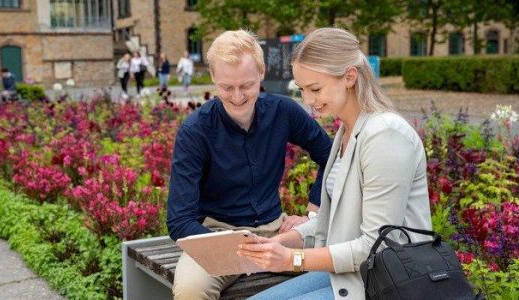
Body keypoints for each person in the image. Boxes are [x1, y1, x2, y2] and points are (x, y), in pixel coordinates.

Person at [237, 28, 432, 300]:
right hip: (353, 275)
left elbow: (374, 247)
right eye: (302, 89)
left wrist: (292, 259)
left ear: (350, 77)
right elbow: (334, 223)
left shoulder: (385, 135)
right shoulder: (347, 132)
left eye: (315, 89)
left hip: (389, 284)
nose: (307, 100)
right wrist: (282, 241)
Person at [167, 29, 332, 299]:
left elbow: (331, 155)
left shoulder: (283, 111)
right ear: (212, 77)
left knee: (345, 261)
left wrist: (313, 212)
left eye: (246, 85)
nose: (237, 96)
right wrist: (234, 248)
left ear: (262, 72)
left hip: (277, 232)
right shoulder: (195, 130)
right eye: (226, 87)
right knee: (190, 291)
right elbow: (179, 220)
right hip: (217, 235)